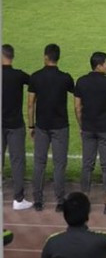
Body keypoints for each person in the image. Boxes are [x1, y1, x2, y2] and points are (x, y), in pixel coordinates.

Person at [73, 52, 106, 215]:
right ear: (99, 65)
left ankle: (83, 201)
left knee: (87, 165)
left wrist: (82, 126)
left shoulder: (81, 82)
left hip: (88, 129)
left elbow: (77, 108)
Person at [28, 43, 75, 213]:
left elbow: (30, 104)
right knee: (59, 164)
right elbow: (76, 95)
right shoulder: (65, 78)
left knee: (39, 163)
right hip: (60, 126)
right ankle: (60, 201)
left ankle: (38, 200)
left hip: (41, 126)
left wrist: (31, 125)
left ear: (45, 57)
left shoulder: (35, 77)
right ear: (58, 57)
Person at [2, 44, 34, 210]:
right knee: (17, 161)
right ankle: (18, 199)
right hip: (15, 125)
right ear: (12, 57)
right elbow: (36, 83)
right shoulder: (19, 75)